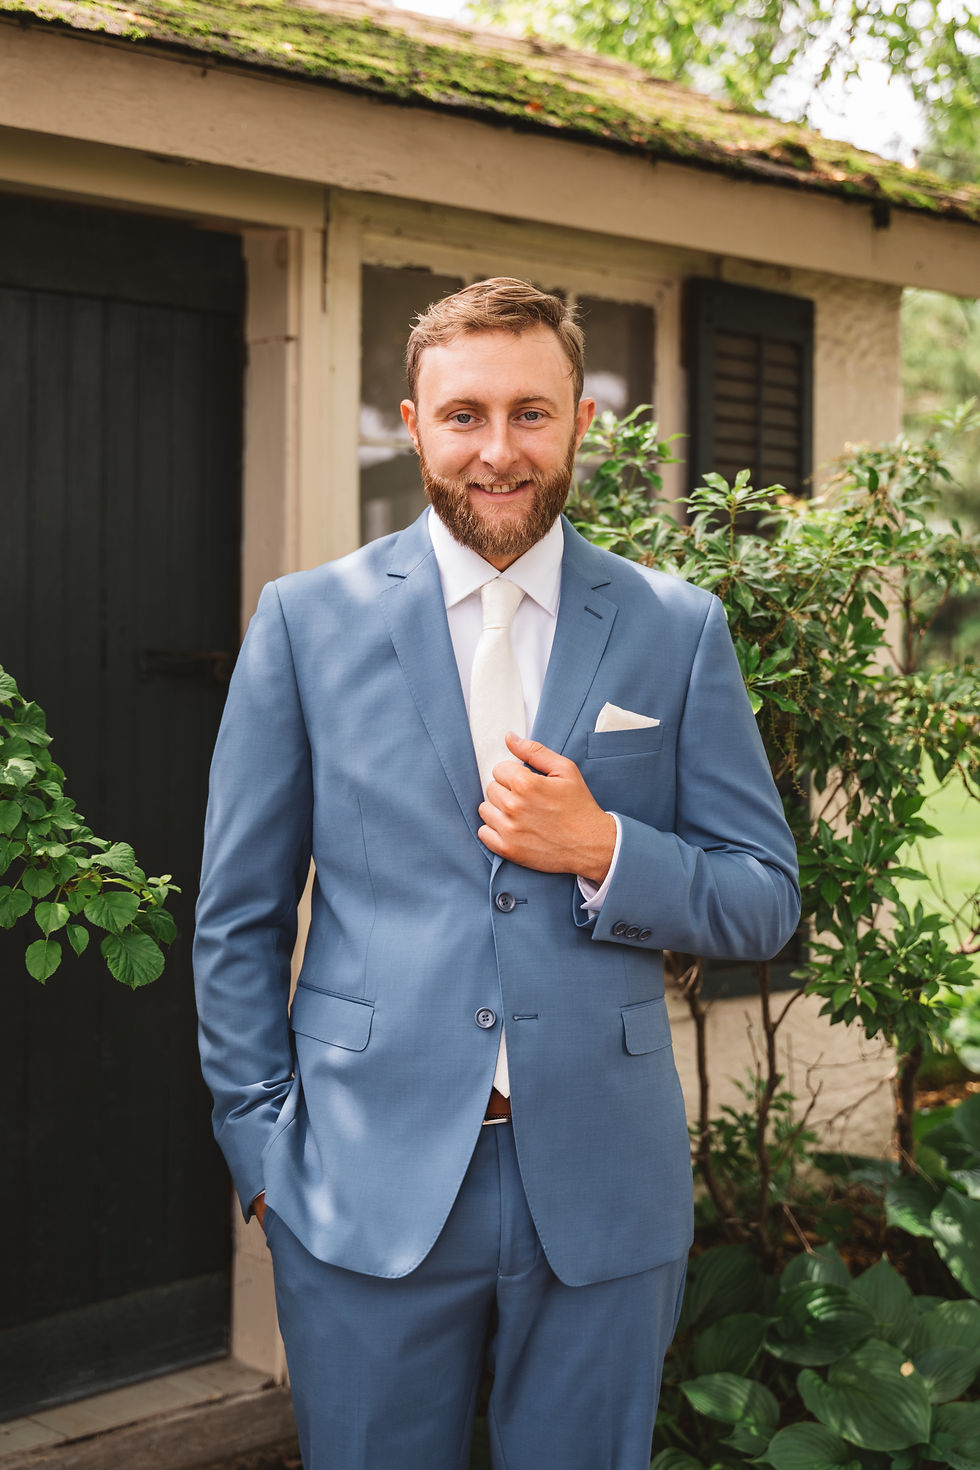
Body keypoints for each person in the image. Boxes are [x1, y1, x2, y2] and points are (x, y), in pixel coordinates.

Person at [194, 277, 800, 1470]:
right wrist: (261, 1147)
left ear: (581, 424)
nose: (497, 450)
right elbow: (238, 917)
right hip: (360, 1180)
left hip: (602, 1182)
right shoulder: (304, 622)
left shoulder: (675, 627)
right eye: (463, 415)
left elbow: (762, 896)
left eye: (530, 413)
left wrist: (604, 850)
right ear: (411, 428)